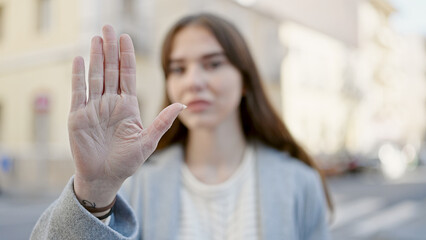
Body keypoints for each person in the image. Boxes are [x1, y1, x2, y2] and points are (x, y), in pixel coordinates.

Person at [31, 13, 332, 240]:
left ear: (244, 80)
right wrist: (94, 190)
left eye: (213, 63)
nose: (193, 81)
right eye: (178, 69)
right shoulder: (136, 185)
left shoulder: (300, 183)